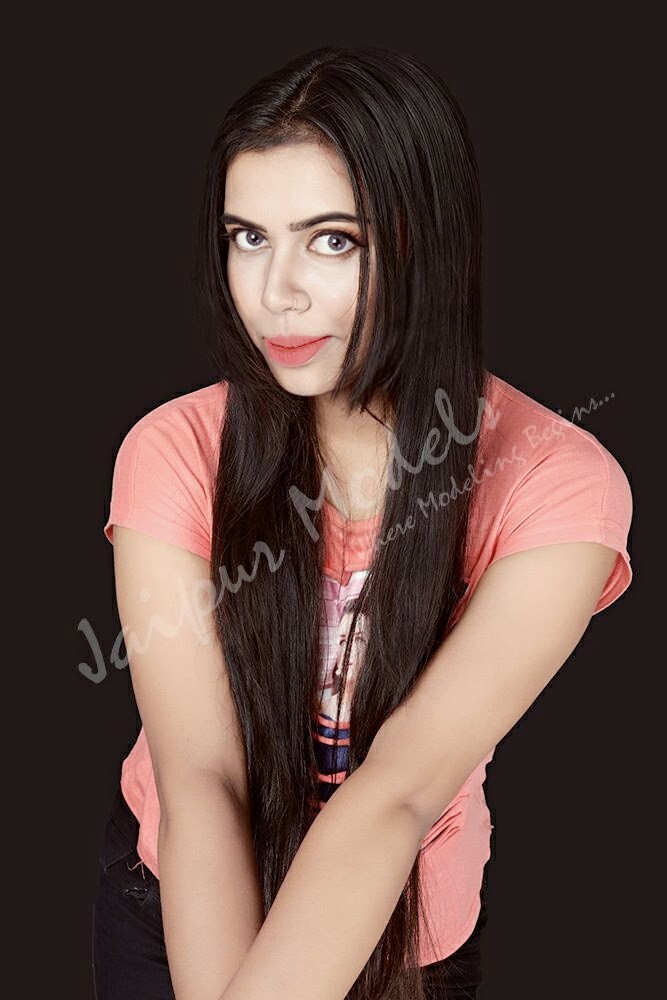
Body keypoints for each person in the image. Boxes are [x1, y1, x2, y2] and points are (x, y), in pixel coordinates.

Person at [92, 45, 633, 1000]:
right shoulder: (173, 450)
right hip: (176, 909)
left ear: (427, 241)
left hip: (404, 937)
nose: (276, 291)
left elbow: (399, 789)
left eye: (332, 241)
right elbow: (201, 775)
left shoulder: (556, 483)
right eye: (247, 237)